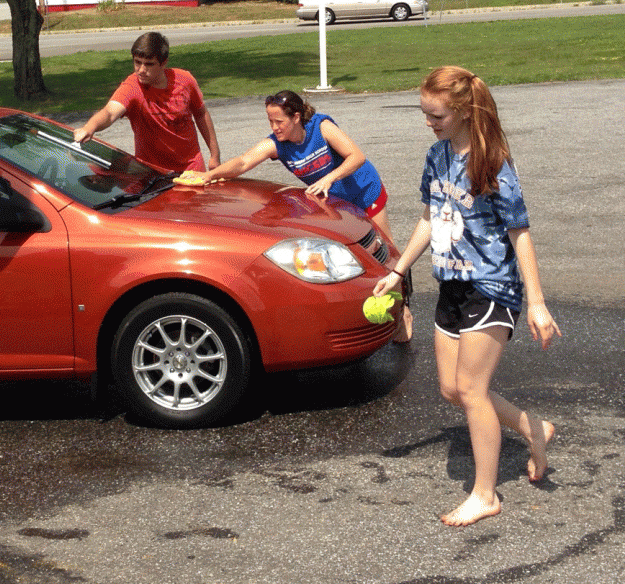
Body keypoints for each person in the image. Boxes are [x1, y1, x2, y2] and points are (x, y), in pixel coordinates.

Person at [374, 66, 561, 526]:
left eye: (435, 114)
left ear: (460, 111)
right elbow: (429, 217)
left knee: (473, 391)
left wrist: (536, 302)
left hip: (491, 287)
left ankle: (485, 494)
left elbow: (520, 233)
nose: (428, 121)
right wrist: (398, 270)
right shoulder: (436, 157)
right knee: (451, 389)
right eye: (425, 113)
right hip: (451, 286)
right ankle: (531, 427)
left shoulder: (491, 161)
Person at [180, 89, 413, 341]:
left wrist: (330, 178)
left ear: (296, 117)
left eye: (279, 121)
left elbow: (356, 156)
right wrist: (209, 175)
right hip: (341, 208)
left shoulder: (321, 126)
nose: (274, 127)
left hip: (365, 192)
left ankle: (403, 313)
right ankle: (366, 313)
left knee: (386, 256)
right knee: (354, 262)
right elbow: (244, 161)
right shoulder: (277, 145)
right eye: (270, 121)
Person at [72, 31, 220, 172]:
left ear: (163, 63)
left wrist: (215, 155)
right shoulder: (132, 87)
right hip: (153, 174)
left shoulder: (185, 80)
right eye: (137, 62)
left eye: (149, 64)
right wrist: (89, 127)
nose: (141, 70)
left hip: (191, 168)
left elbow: (201, 114)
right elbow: (110, 112)